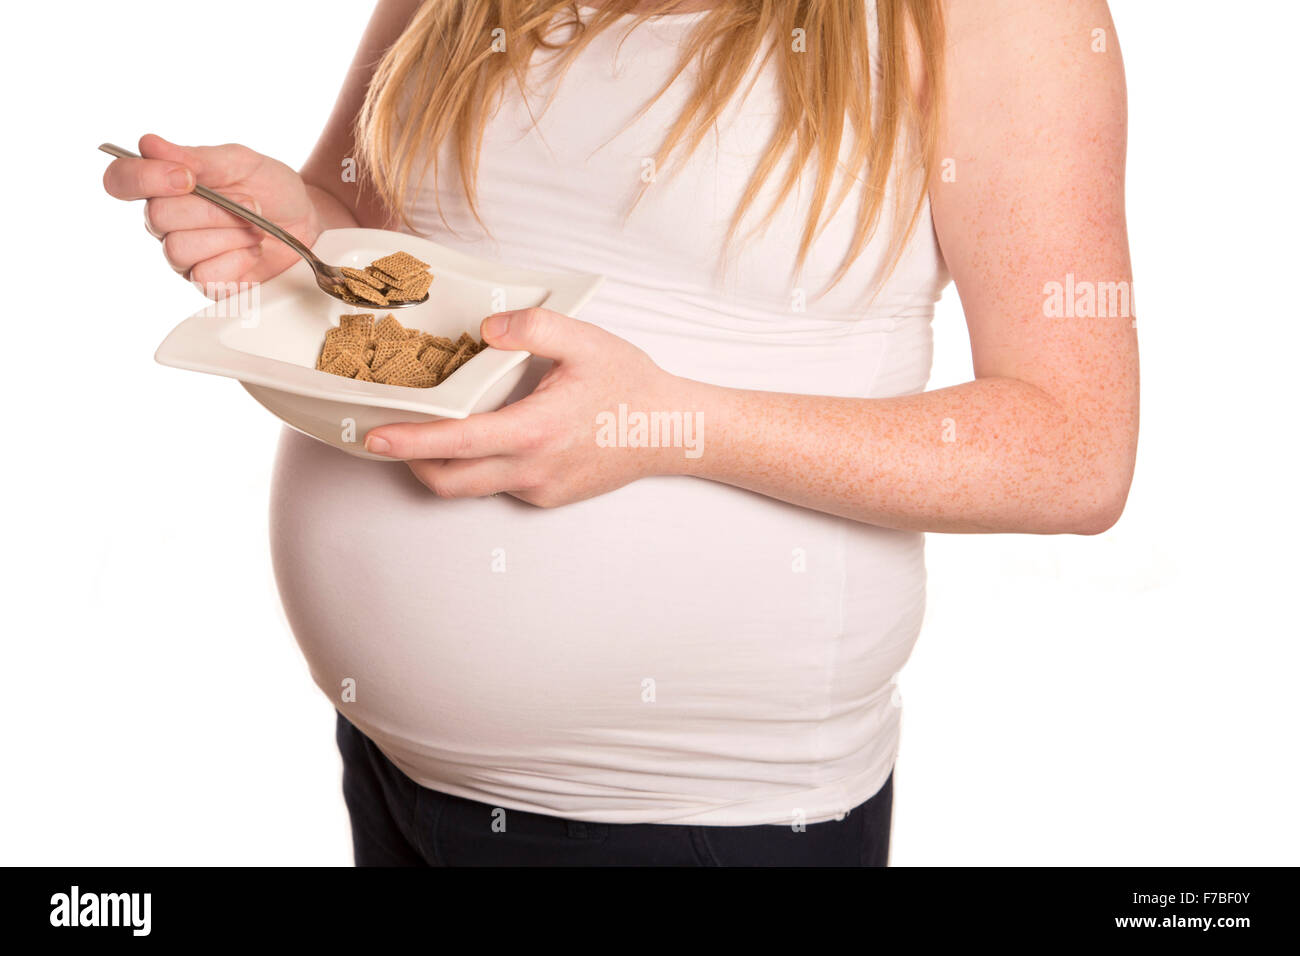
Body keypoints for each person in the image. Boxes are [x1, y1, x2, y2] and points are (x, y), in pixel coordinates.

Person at [101, 0, 1138, 866]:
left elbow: (1073, 449)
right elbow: (383, 238)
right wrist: (297, 232)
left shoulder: (1003, 17)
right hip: (393, 767)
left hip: (697, 819)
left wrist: (673, 426)